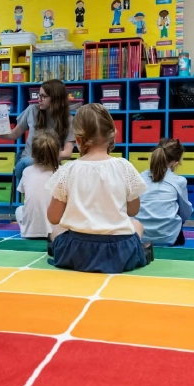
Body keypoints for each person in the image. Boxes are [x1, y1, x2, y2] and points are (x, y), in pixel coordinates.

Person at [46, 104, 150, 273]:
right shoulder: (125, 167)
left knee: (56, 230)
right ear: (112, 135)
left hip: (77, 251)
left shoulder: (68, 169)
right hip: (119, 251)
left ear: (78, 140)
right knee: (137, 224)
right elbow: (133, 210)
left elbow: (53, 217)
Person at [0, 79, 74, 179]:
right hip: (27, 161)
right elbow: (14, 134)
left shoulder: (68, 120)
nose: (39, 99)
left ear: (56, 98)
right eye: (39, 95)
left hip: (51, 165)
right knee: (31, 164)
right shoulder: (32, 110)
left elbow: (68, 153)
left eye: (44, 96)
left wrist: (46, 159)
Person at [135, 139, 192, 246]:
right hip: (168, 237)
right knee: (179, 213)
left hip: (139, 235)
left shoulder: (140, 177)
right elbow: (186, 213)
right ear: (175, 163)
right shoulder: (179, 181)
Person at [16, 130, 62, 240]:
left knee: (19, 209)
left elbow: (26, 197)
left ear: (33, 153)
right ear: (57, 152)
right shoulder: (62, 172)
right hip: (56, 232)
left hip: (29, 233)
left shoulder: (27, 171)